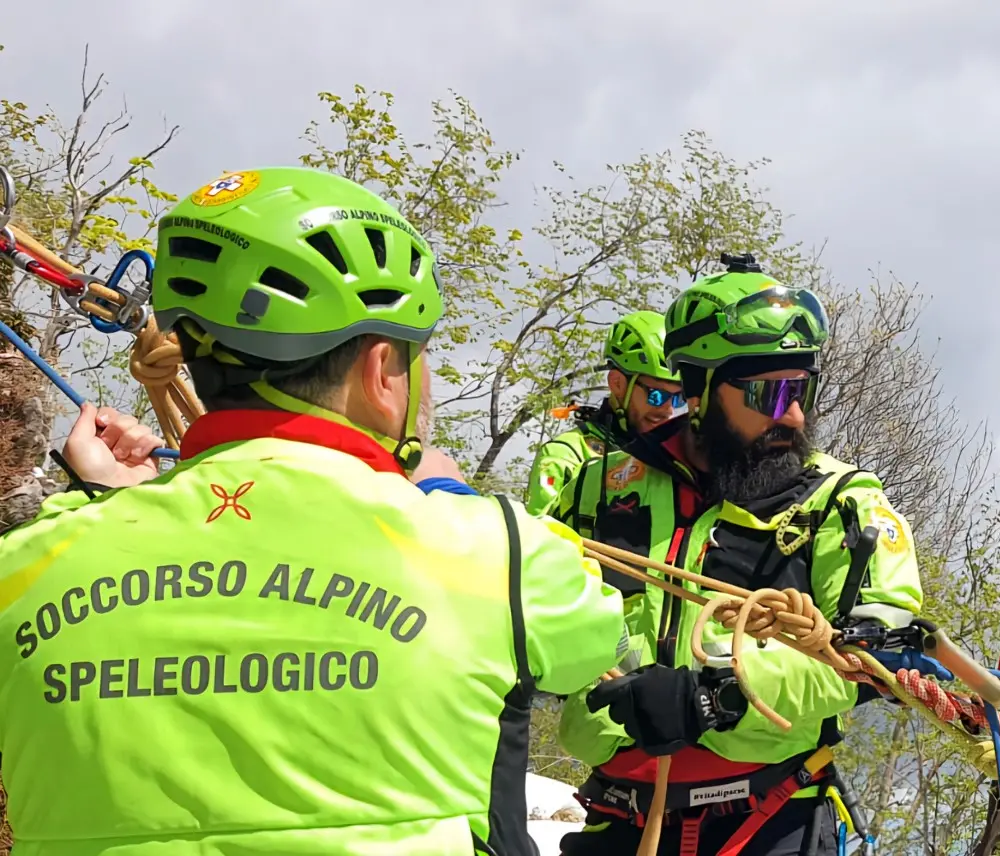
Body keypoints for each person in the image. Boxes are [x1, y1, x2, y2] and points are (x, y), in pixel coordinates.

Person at [0, 167, 632, 856]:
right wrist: (448, 495)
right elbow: (604, 649)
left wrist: (104, 510)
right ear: (383, 370)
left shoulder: (27, 566)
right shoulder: (494, 550)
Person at [552, 253, 924, 855]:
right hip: (617, 818)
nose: (795, 415)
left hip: (770, 823)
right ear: (697, 388)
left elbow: (885, 644)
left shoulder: (839, 501)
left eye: (802, 389)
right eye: (769, 393)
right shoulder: (596, 491)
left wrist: (714, 696)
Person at [525, 311, 684, 516]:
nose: (668, 409)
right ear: (617, 384)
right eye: (657, 396)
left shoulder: (675, 459)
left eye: (679, 398)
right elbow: (538, 538)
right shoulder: (565, 455)